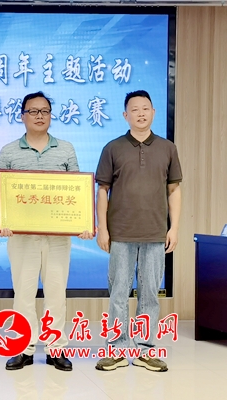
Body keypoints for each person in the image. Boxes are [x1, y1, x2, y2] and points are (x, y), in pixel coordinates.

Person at [0, 91, 93, 372]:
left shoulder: (66, 149)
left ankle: (55, 349)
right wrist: (3, 221)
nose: (39, 116)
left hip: (58, 236)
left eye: (45, 111)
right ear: (22, 116)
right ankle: (24, 348)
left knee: (56, 293)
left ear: (50, 115)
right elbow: (2, 192)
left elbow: (77, 191)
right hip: (22, 237)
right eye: (33, 111)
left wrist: (83, 223)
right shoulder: (9, 151)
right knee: (23, 293)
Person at [94, 90, 182, 372]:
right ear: (125, 115)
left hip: (155, 233)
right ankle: (117, 350)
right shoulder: (112, 148)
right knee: (118, 292)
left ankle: (145, 350)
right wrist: (102, 228)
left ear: (153, 112)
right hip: (120, 233)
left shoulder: (168, 148)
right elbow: (102, 190)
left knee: (150, 294)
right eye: (135, 109)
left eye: (145, 108)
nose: (141, 113)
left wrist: (174, 228)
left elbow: (173, 190)